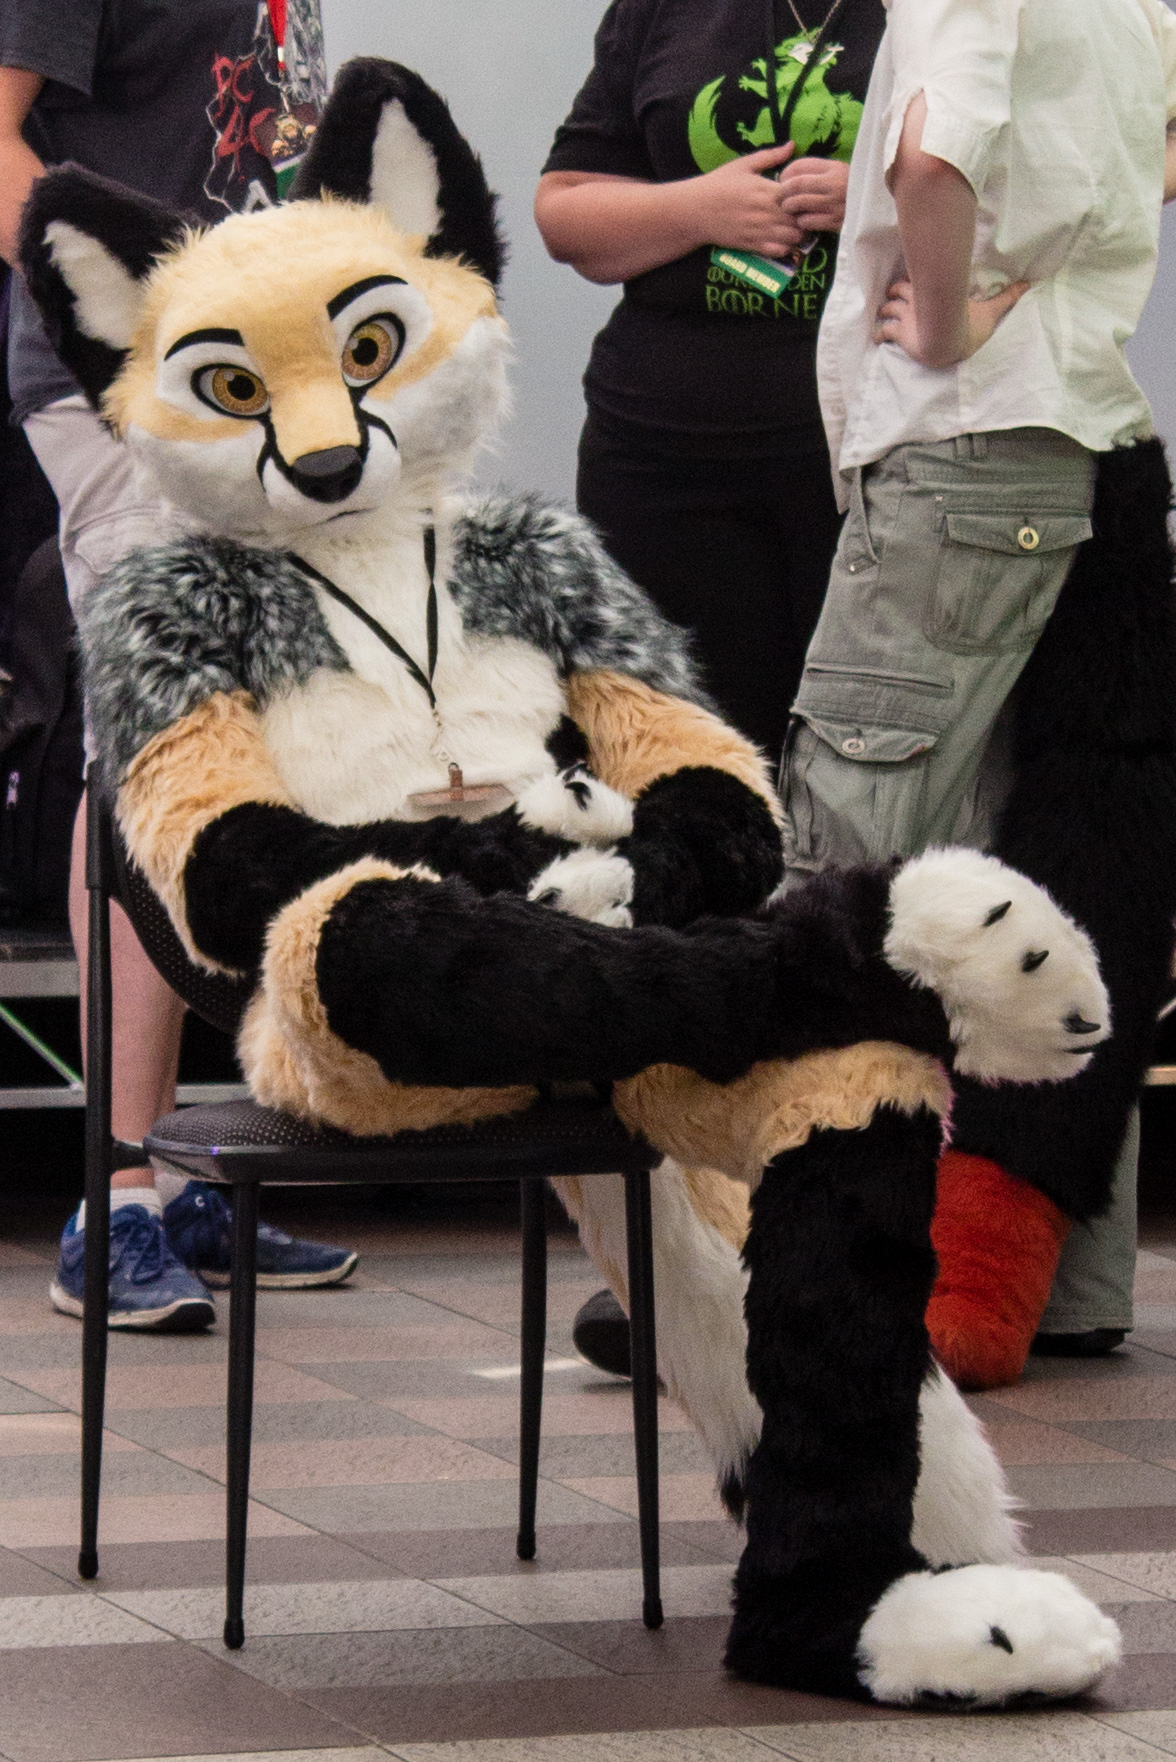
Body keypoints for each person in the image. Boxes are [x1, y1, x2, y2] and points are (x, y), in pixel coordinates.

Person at [777, 0, 1176, 1384]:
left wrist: (950, 320)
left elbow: (931, 156)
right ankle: (1066, 1284)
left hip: (962, 446)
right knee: (1060, 869)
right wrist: (1047, 281)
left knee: (850, 852)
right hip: (1087, 442)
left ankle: (794, 1278)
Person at [0, 0, 357, 1331]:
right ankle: (118, 1195)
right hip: (136, 387)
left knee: (241, 765)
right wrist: (144, 328)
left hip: (263, 388)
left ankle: (184, 1168)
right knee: (155, 753)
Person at [536, 0, 887, 765]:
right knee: (672, 763)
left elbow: (1032, 196)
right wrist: (696, 209)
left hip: (865, 466)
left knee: (861, 775)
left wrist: (876, 199)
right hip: (659, 463)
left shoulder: (939, 14)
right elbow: (564, 213)